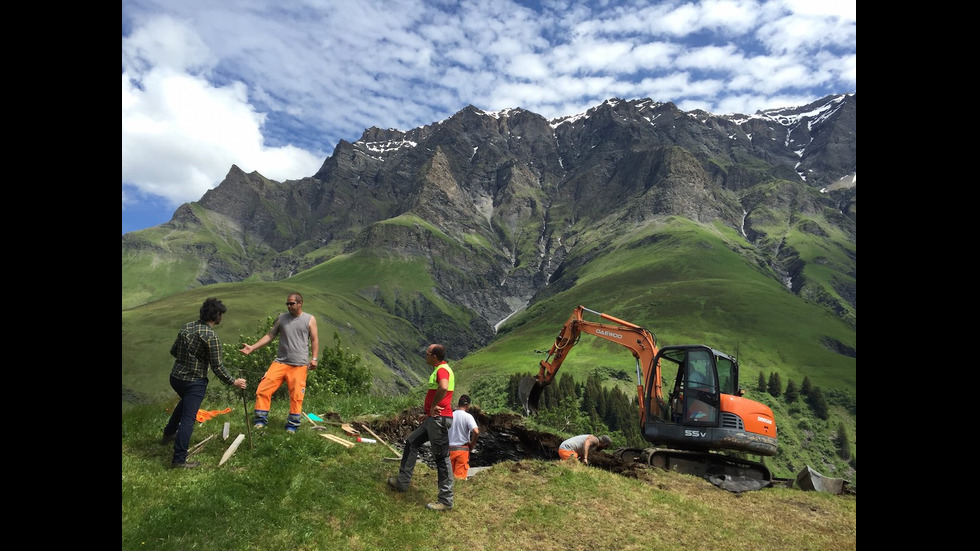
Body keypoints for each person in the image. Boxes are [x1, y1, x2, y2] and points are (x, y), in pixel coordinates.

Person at [162, 298, 247, 469]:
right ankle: (179, 460)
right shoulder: (211, 336)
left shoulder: (187, 327)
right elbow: (217, 366)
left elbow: (173, 351)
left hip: (176, 377)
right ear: (217, 316)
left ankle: (168, 433)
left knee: (184, 404)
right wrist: (233, 382)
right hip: (194, 381)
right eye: (220, 314)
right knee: (188, 418)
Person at [387, 343, 455, 511]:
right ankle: (402, 482)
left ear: (434, 356)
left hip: (439, 420)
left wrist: (433, 408)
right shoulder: (440, 369)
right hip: (434, 419)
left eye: (427, 353)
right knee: (412, 442)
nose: (425, 356)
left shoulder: (442, 370)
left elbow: (444, 386)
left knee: (441, 458)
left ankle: (446, 500)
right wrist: (429, 413)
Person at [240, 292, 319, 433]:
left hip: (299, 364)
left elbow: (314, 339)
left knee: (296, 396)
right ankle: (259, 422)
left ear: (300, 303)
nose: (289, 306)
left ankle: (292, 426)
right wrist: (252, 347)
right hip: (280, 362)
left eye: (291, 303)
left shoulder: (309, 319)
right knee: (263, 389)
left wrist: (314, 358)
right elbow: (270, 335)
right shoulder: (282, 318)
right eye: (287, 304)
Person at [448, 394, 480, 479]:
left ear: (459, 404)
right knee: (460, 479)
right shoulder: (468, 417)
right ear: (467, 405)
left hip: (449, 450)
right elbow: (476, 431)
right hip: (462, 450)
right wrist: (472, 443)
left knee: (448, 477)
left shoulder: (450, 415)